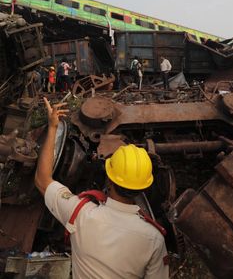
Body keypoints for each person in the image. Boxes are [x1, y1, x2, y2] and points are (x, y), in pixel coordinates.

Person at [35, 98, 169, 279]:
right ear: (143, 187)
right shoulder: (154, 239)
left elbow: (42, 180)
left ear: (109, 180)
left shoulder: (80, 212)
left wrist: (53, 127)